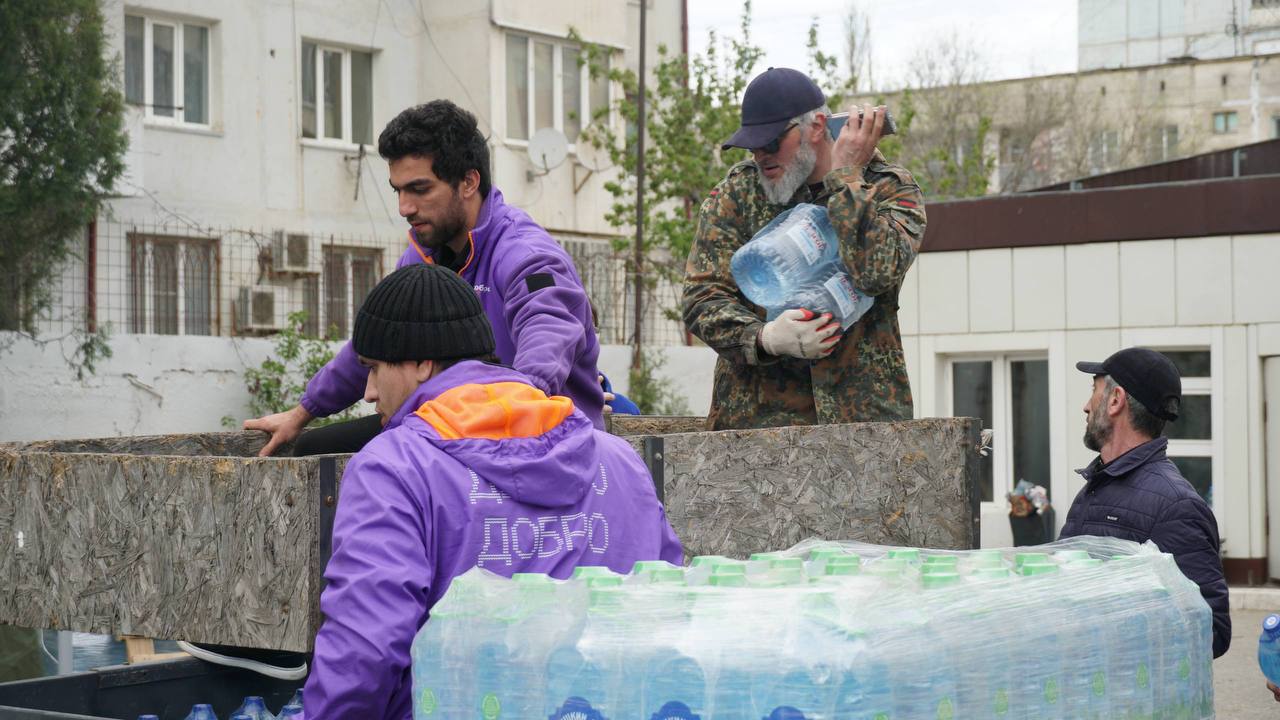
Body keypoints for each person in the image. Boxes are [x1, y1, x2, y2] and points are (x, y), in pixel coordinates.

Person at [303, 263, 683, 717]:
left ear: (422, 364)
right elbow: (670, 606)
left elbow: (364, 652)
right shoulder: (618, 459)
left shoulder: (393, 467)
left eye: (374, 368)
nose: (367, 391)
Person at [247, 100, 604, 457]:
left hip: (541, 439)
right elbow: (378, 343)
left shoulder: (526, 256)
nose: (404, 207)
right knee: (315, 448)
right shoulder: (421, 257)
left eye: (419, 189)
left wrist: (507, 407)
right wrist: (301, 413)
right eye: (398, 191)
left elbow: (547, 331)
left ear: (468, 182)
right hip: (453, 426)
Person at [682, 67, 926, 431]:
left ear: (816, 127)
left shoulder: (888, 189)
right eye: (752, 146)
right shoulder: (739, 194)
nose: (760, 155)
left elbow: (877, 273)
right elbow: (701, 298)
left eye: (771, 142)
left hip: (861, 427)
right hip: (757, 428)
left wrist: (846, 179)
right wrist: (763, 338)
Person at [1059, 347, 1230, 658]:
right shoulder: (1095, 488)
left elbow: (1211, 630)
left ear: (1115, 400)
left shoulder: (1175, 505)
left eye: (1094, 391)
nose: (1086, 406)